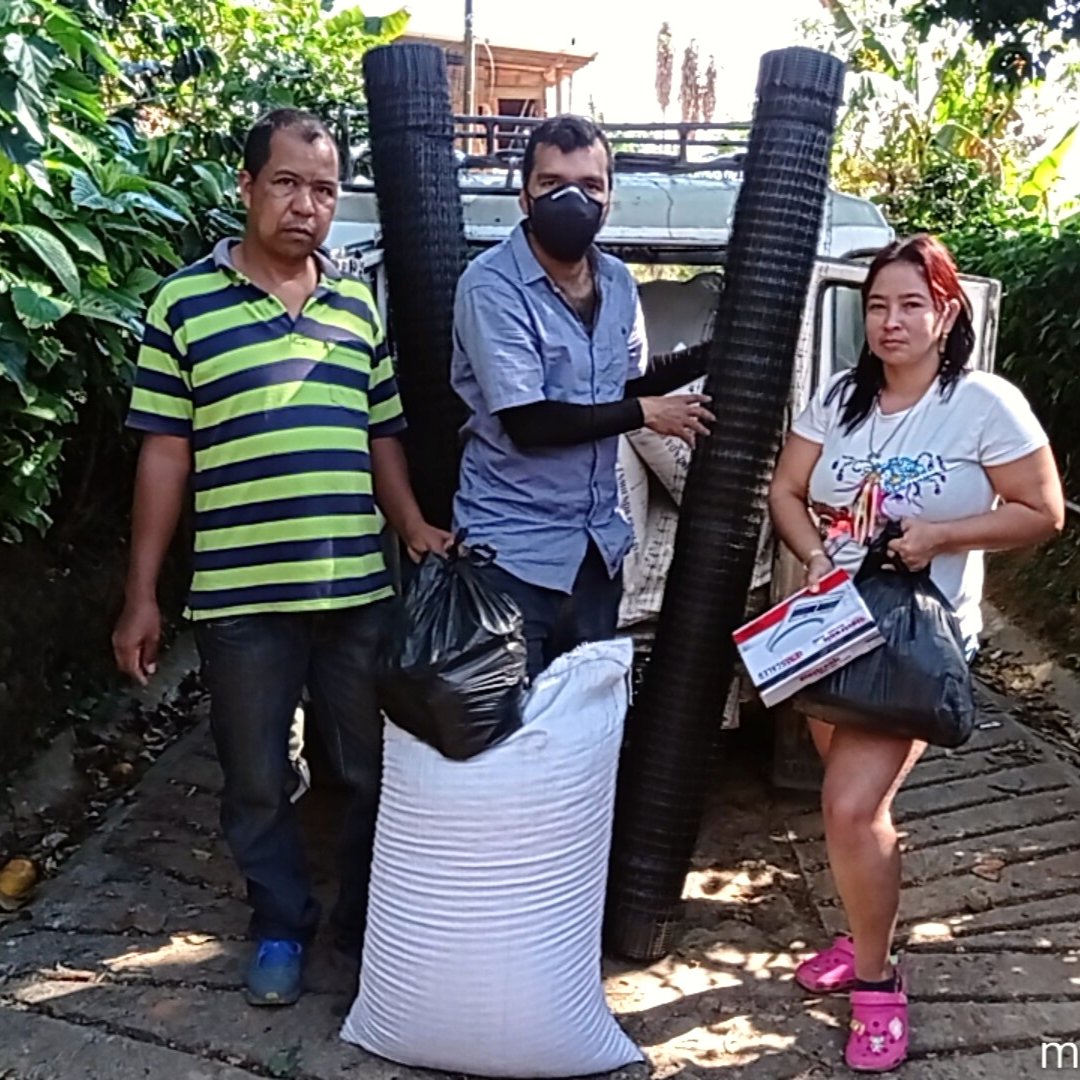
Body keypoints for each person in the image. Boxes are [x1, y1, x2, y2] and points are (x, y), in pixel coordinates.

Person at [111, 109, 452, 1007]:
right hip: (241, 597)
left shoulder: (355, 304)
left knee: (367, 768)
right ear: (249, 187)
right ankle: (277, 923)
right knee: (258, 778)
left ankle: (365, 925)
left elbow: (382, 431)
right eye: (289, 183)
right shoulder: (183, 305)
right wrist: (141, 594)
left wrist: (412, 525)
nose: (307, 205)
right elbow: (163, 453)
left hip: (357, 592)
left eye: (325, 190)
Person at [768, 234, 1064, 1072]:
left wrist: (943, 534)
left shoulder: (981, 402)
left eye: (910, 304)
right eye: (876, 305)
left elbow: (1042, 512)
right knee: (846, 805)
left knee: (853, 809)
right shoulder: (840, 397)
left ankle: (877, 984)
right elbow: (787, 491)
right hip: (831, 627)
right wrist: (816, 556)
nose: (891, 322)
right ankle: (861, 931)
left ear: (945, 311)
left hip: (916, 635)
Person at [451, 114, 716, 679]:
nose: (572, 199)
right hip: (512, 555)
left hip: (596, 553)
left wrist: (707, 356)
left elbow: (624, 383)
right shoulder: (491, 285)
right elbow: (529, 423)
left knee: (584, 728)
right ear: (524, 196)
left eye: (590, 186)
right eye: (552, 185)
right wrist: (648, 414)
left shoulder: (617, 281)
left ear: (609, 200)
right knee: (511, 735)